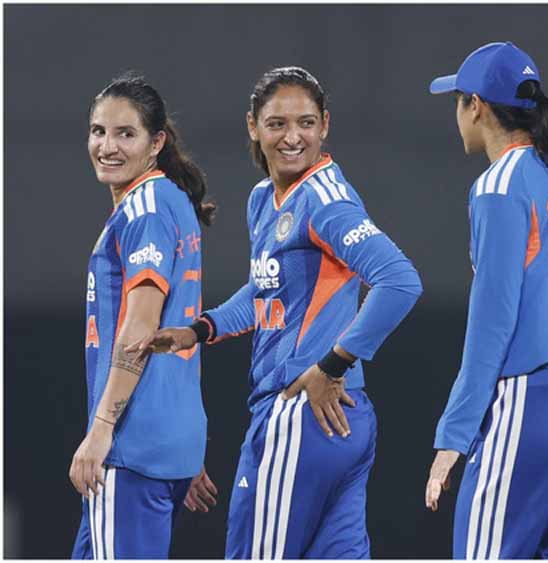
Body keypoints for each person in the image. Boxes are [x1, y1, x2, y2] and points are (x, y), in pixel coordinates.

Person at [131, 66, 422, 559]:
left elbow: (399, 281)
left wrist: (333, 364)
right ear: (253, 126)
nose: (292, 137)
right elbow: (267, 291)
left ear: (325, 124)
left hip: (303, 411)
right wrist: (200, 329)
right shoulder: (265, 198)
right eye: (277, 124)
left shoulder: (324, 201)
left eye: (306, 123)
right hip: (342, 419)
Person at [423, 41, 548, 559]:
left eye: (458, 100)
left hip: (538, 400)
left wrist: (454, 435)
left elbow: (492, 319)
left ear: (476, 106)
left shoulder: (500, 185)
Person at [69, 73, 215, 559]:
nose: (107, 146)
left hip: (132, 448)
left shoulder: (145, 210)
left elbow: (141, 328)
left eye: (125, 134)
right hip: (168, 441)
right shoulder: (172, 201)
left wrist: (101, 429)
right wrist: (184, 446)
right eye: (98, 131)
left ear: (156, 143)